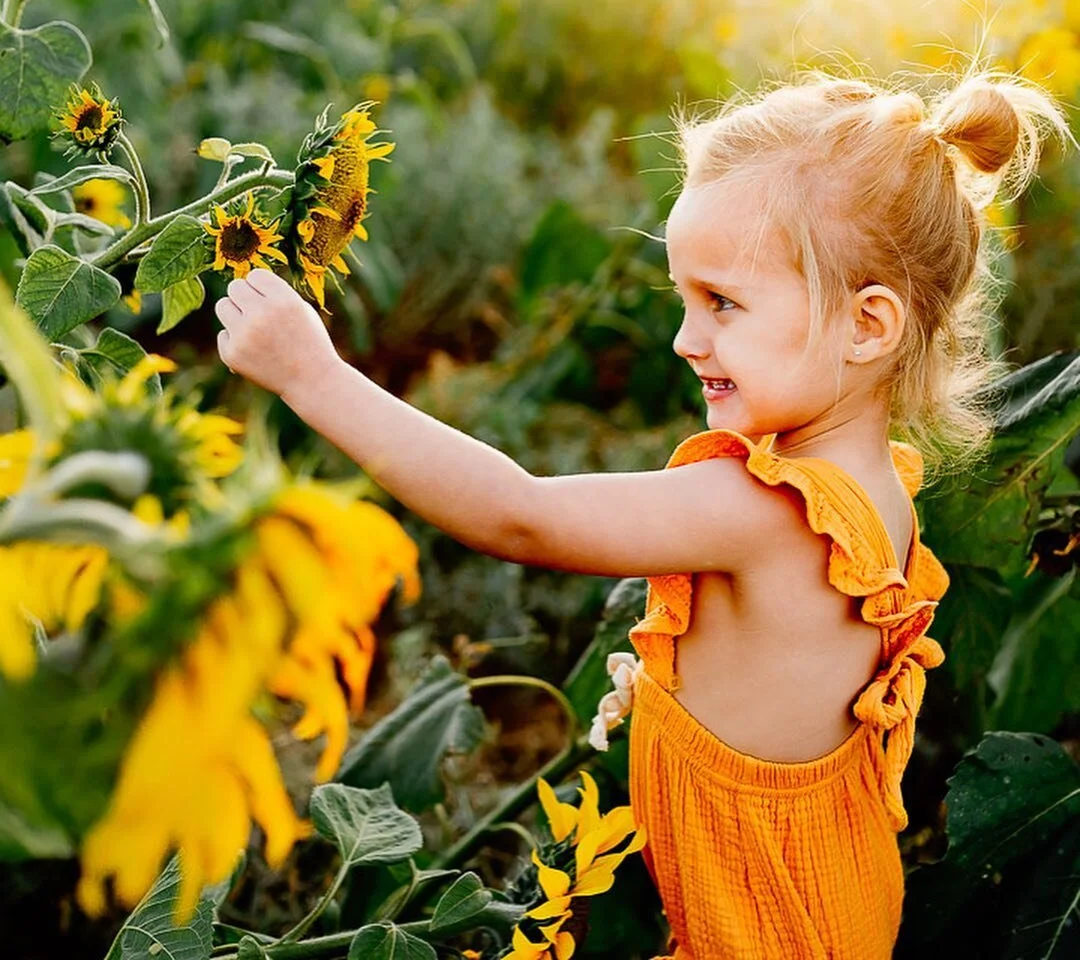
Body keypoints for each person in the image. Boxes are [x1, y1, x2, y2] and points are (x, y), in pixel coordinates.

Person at [214, 67, 1072, 959]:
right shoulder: (872, 487)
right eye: (686, 298)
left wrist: (313, 376)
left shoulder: (768, 510)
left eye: (724, 303)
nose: (686, 338)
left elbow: (519, 517)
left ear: (866, 327)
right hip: (821, 904)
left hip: (765, 935)